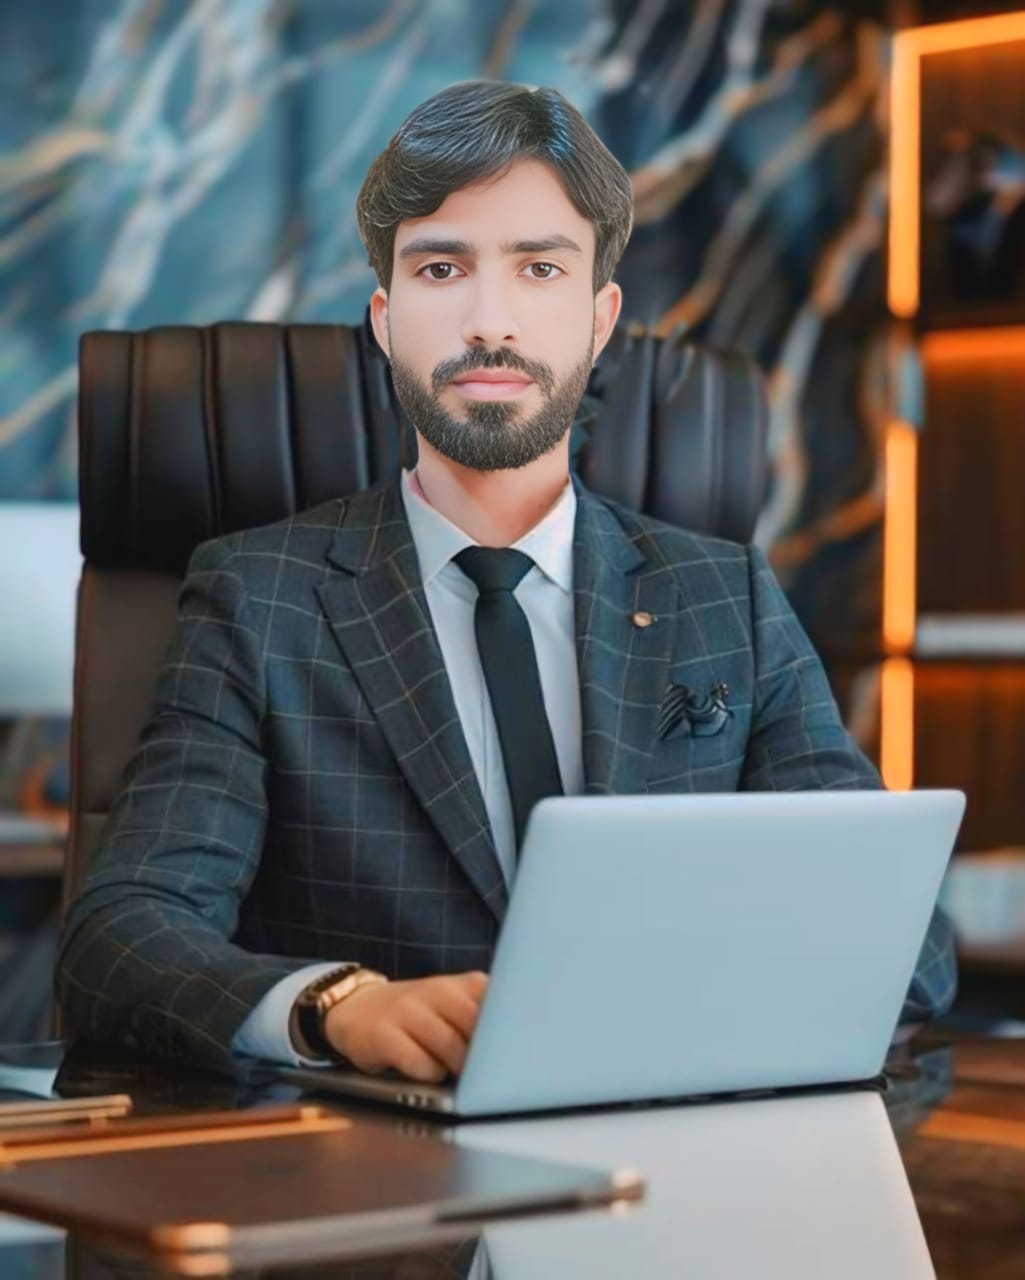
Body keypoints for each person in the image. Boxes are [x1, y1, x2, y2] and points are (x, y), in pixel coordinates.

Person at [57, 81, 956, 1080]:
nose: (491, 320)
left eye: (538, 269)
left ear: (599, 316)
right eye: (442, 267)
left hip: (674, 1170)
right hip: (365, 1183)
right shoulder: (254, 596)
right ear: (386, 319)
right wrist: (334, 1007)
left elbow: (906, 948)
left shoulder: (723, 596)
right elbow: (122, 935)